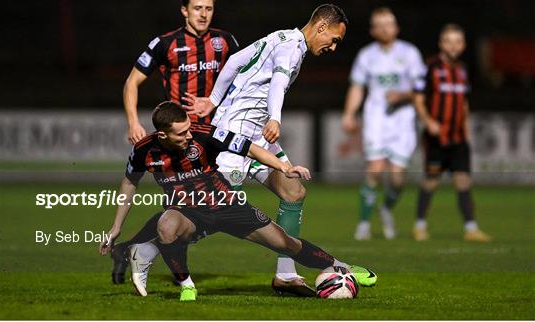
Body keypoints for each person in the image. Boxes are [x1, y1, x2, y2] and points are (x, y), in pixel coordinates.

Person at [99, 101, 377, 300]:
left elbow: (251, 148)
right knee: (167, 224)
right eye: (181, 133)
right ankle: (187, 287)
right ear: (162, 135)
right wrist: (116, 227)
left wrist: (283, 168)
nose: (188, 135)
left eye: (188, 129)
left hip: (227, 204)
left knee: (285, 243)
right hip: (188, 213)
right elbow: (129, 183)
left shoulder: (204, 134)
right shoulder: (144, 151)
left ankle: (340, 266)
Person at [182, 4, 348, 294]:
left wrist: (213, 99)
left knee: (293, 190)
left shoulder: (281, 37)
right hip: (236, 133)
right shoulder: (292, 49)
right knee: (214, 210)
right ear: (321, 27)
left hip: (256, 135)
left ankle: (286, 274)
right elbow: (278, 84)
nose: (333, 47)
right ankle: (151, 246)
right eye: (334, 39)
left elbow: (234, 60)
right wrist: (275, 117)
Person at [110, 0, 239, 297]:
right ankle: (150, 256)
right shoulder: (164, 44)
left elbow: (244, 78)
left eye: (208, 8)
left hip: (211, 139)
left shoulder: (225, 42)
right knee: (195, 210)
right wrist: (132, 121)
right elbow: (132, 82)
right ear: (184, 10)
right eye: (197, 8)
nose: (203, 14)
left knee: (209, 207)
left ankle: (134, 248)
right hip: (177, 143)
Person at [342, 7, 426, 240]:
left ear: (396, 27)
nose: (385, 28)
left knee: (398, 178)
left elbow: (421, 87)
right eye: (379, 24)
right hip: (376, 118)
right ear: (372, 30)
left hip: (403, 120)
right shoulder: (366, 55)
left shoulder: (410, 53)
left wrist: (402, 95)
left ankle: (386, 208)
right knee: (375, 169)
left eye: (389, 23)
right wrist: (349, 114)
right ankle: (364, 223)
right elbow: (357, 86)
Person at [412, 24, 492, 242]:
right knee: (431, 182)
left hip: (458, 137)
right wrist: (428, 122)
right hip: (437, 138)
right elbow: (418, 99)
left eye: (458, 41)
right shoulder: (429, 68)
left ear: (463, 45)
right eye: (449, 40)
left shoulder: (463, 70)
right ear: (441, 43)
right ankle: (419, 225)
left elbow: (464, 102)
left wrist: (466, 128)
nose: (453, 45)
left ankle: (471, 228)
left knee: (464, 181)